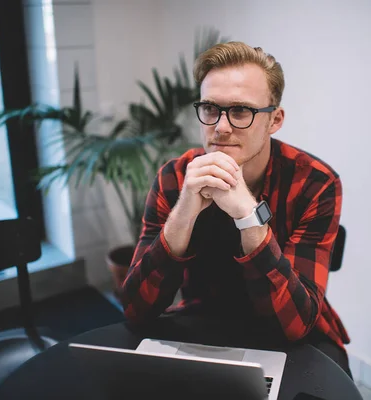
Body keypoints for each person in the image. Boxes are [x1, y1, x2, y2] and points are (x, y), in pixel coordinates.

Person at [121, 41, 351, 377]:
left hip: (296, 331)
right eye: (211, 109)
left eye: (241, 111)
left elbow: (295, 324)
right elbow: (135, 310)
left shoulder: (315, 183)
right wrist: (184, 212)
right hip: (206, 319)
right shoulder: (175, 178)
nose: (221, 126)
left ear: (275, 120)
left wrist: (249, 216)